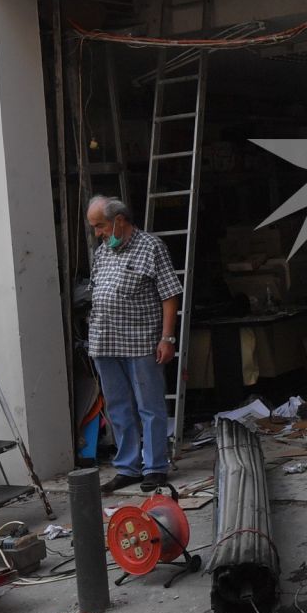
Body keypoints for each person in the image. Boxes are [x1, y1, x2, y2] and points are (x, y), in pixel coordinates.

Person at [86, 196, 181, 493]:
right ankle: (128, 467)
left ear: (120, 220)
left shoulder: (151, 247)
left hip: (140, 342)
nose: (98, 233)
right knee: (118, 408)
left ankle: (155, 467)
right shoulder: (102, 252)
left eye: (100, 226)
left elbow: (169, 295)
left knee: (149, 407)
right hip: (105, 342)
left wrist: (167, 338)